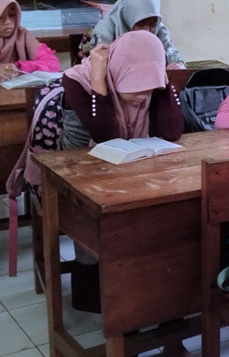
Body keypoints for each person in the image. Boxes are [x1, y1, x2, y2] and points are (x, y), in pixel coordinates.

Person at [61, 30, 183, 312]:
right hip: (80, 169)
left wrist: (162, 86)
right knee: (93, 213)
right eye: (137, 86)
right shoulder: (77, 81)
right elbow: (105, 135)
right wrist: (99, 82)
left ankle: (139, 289)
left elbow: (172, 130)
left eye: (148, 87)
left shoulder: (152, 89)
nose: (143, 95)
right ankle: (94, 295)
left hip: (130, 168)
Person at [77, 0, 186, 68]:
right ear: (129, 17)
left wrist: (177, 64)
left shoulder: (158, 28)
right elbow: (101, 69)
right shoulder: (105, 31)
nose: (147, 31)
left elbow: (171, 52)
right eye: (140, 24)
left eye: (152, 24)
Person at [0, 0, 60, 81]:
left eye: (12, 15)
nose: (7, 22)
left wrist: (18, 67)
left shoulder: (22, 35)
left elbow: (52, 64)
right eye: (0, 17)